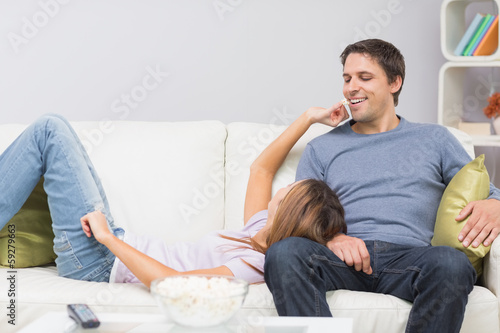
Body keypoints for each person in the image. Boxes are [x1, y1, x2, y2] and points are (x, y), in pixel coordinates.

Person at [263, 39, 500, 333]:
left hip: (410, 259)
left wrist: (496, 205)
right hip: (342, 259)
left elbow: (485, 191)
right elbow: (299, 213)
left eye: (365, 77)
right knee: (285, 253)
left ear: (394, 82)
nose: (351, 87)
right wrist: (332, 237)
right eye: (347, 78)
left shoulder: (434, 139)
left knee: (451, 263)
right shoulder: (321, 148)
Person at [0, 109, 346, 288]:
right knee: (55, 126)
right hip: (111, 244)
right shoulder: (258, 227)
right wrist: (309, 118)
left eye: (292, 191)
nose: (285, 187)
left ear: (289, 211)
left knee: (50, 130)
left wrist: (106, 238)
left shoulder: (254, 265)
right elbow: (261, 170)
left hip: (99, 263)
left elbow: (173, 285)